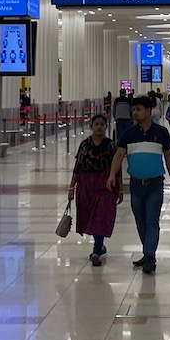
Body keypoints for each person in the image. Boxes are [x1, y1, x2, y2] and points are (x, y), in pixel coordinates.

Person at [106, 96, 170, 275]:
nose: (134, 112)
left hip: (155, 184)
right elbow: (119, 155)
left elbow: (168, 156)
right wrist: (112, 175)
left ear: (148, 111)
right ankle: (147, 253)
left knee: (151, 221)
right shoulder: (128, 134)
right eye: (134, 109)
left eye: (138, 109)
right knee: (140, 222)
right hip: (136, 185)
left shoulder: (161, 132)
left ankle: (150, 257)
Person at [70, 114, 119, 266]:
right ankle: (100, 244)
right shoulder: (85, 145)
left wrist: (121, 189)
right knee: (88, 215)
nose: (99, 127)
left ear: (106, 126)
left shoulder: (111, 146)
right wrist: (72, 187)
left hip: (105, 184)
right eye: (96, 124)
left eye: (102, 124)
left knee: (101, 216)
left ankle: (96, 250)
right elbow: (77, 167)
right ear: (91, 126)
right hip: (85, 184)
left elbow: (117, 169)